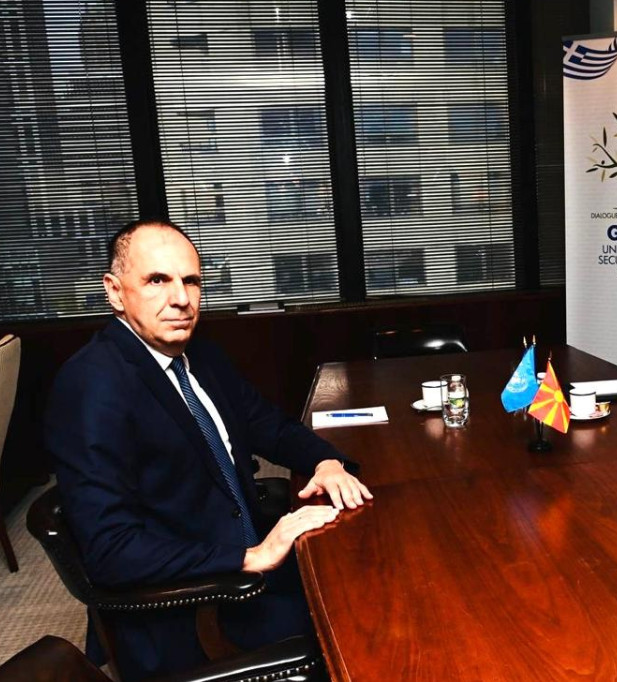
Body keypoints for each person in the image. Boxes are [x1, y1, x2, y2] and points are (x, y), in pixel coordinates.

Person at [44, 219, 373, 681]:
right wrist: (250, 558)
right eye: (157, 280)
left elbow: (270, 426)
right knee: (364, 625)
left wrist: (326, 462)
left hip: (243, 560)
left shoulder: (199, 356)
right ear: (115, 292)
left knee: (373, 571)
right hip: (192, 607)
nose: (181, 298)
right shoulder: (91, 387)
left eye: (191, 281)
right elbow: (112, 550)